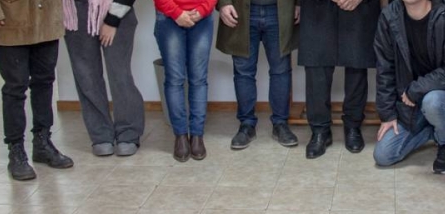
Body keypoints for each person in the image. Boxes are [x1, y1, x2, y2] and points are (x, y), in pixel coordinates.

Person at [372, 0, 445, 173]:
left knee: (432, 102)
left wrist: (417, 89)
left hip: (443, 96)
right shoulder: (389, 17)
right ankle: (437, 127)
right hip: (410, 104)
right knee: (383, 155)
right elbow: (385, 68)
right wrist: (388, 115)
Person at [0, 0, 74, 181]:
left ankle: (42, 142)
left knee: (45, 81)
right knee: (15, 87)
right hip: (11, 18)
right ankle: (16, 151)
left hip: (47, 19)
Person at [297, 0, 381, 158]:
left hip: (359, 6)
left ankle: (353, 126)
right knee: (317, 67)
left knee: (357, 65)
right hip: (317, 9)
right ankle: (320, 130)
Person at [62, 0, 145, 157]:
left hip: (115, 9)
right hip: (74, 12)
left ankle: (128, 133)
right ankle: (100, 135)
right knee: (86, 77)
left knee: (120, 75)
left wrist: (112, 20)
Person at [216, 0, 301, 149]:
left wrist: (299, 3)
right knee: (244, 72)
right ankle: (246, 125)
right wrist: (223, 3)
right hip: (240, 10)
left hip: (280, 9)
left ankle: (280, 124)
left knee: (281, 70)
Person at [154, 0, 218, 161]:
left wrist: (203, 9)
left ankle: (197, 135)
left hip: (202, 18)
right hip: (168, 17)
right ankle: (180, 136)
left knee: (199, 79)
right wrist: (176, 13)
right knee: (175, 79)